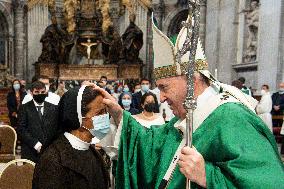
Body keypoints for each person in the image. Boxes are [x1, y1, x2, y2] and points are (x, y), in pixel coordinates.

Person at [98, 16, 284, 188]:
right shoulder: (188, 116)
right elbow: (153, 144)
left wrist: (208, 176)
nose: (160, 98)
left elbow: (271, 182)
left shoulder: (231, 118)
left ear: (191, 82)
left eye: (164, 87)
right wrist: (119, 114)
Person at [32, 86, 109, 189]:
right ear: (79, 119)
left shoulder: (93, 153)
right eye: (99, 113)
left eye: (105, 111)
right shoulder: (53, 159)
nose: (105, 117)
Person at [17, 81, 60, 163]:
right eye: (37, 92)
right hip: (30, 151)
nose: (40, 94)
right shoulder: (24, 108)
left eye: (42, 92)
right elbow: (21, 129)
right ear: (31, 93)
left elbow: (56, 128)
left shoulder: (54, 108)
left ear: (46, 92)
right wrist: (36, 145)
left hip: (50, 151)